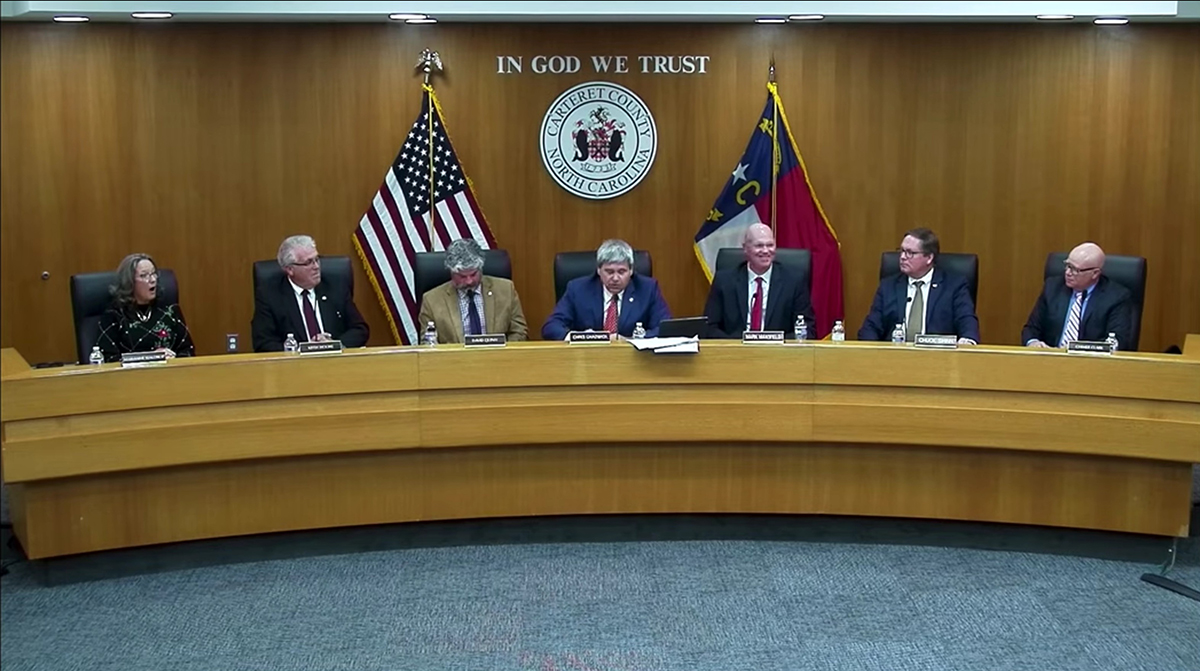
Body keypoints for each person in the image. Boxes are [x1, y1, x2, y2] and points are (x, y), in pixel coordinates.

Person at [858, 227, 980, 345]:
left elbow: (966, 319)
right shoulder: (888, 286)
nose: (902, 257)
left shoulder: (954, 286)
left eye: (910, 253)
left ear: (929, 258)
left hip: (938, 358)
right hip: (895, 358)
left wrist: (967, 340)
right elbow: (871, 327)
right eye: (902, 251)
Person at [251, 235, 369, 351]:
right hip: (294, 367)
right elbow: (263, 342)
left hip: (334, 363)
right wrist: (301, 350)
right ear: (290, 269)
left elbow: (360, 329)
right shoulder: (270, 296)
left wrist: (335, 344)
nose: (316, 267)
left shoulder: (335, 287)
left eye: (317, 259)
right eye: (309, 263)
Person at [542, 239, 671, 340]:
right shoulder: (578, 289)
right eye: (609, 272)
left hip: (633, 361)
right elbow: (551, 327)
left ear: (631, 270)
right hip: (587, 361)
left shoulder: (648, 289)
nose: (615, 278)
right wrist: (583, 338)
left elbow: (665, 329)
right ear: (598, 270)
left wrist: (629, 340)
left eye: (622, 272)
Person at [703, 223, 816, 339]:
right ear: (745, 248)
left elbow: (807, 329)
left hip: (778, 353)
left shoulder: (794, 281)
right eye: (759, 246)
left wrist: (776, 344)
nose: (766, 251)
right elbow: (709, 328)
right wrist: (739, 345)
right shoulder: (724, 281)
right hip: (737, 352)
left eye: (770, 245)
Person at [1022, 242, 1132, 349]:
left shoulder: (1117, 297)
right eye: (1068, 265)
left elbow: (1117, 340)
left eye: (1075, 269)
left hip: (1091, 363)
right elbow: (1031, 328)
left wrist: (1077, 348)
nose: (1068, 272)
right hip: (1051, 359)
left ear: (1095, 273)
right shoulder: (1053, 287)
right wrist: (1033, 342)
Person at [417, 239, 528, 343]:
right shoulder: (431, 300)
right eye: (462, 276)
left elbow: (519, 331)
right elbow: (428, 343)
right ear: (451, 272)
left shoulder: (505, 290)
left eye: (473, 274)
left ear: (480, 268)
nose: (469, 281)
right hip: (455, 361)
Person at [96, 253, 195, 362]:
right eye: (144, 275)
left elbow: (188, 351)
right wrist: (150, 358)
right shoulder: (114, 315)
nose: (152, 280)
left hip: (170, 375)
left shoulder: (170, 310)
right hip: (132, 377)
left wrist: (173, 359)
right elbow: (108, 359)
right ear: (129, 282)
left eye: (153, 273)